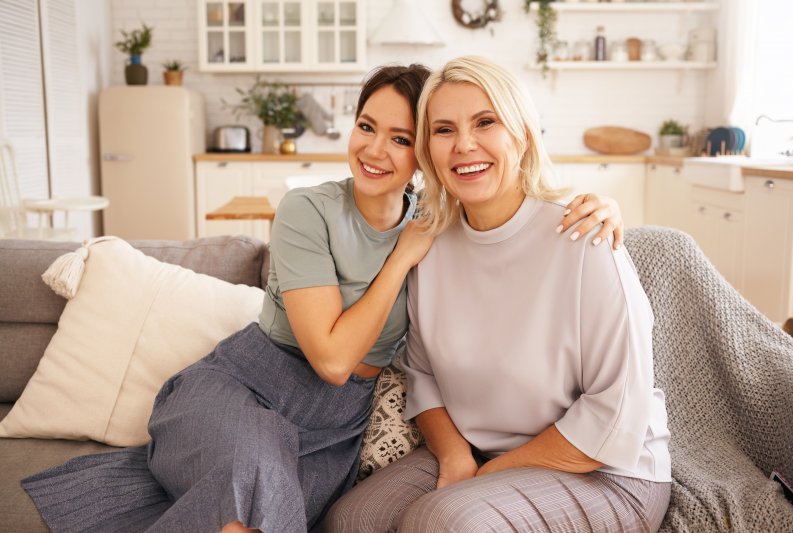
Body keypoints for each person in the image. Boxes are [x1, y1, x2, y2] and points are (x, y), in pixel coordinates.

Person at [21, 63, 625, 533]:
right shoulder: (309, 209)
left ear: (425, 156)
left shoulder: (441, 224)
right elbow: (332, 361)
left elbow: (518, 229)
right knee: (250, 487)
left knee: (286, 507)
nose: (373, 150)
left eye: (400, 137)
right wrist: (401, 259)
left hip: (333, 429)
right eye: (366, 127)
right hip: (243, 387)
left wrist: (604, 205)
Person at [325, 56, 672, 533]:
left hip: (606, 468)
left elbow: (613, 413)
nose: (464, 145)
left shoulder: (585, 240)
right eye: (443, 130)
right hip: (480, 450)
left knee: (443, 521)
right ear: (428, 150)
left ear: (521, 134)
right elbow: (422, 377)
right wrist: (455, 459)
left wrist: (485, 478)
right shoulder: (430, 246)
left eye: (485, 122)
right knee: (352, 520)